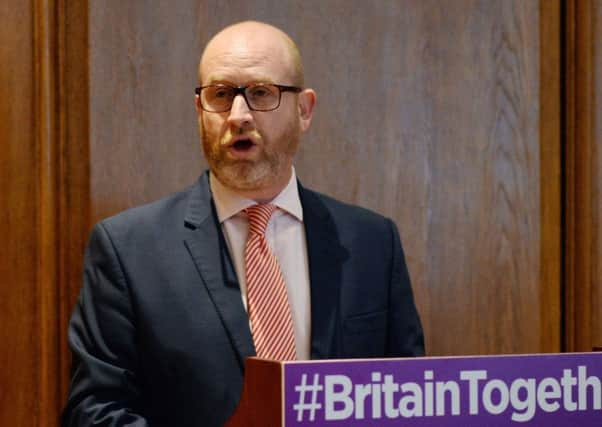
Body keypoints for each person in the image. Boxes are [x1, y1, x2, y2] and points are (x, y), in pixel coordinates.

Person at [62, 21, 424, 427]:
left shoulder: (373, 243)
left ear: (304, 110)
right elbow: (93, 411)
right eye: (220, 95)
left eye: (260, 93)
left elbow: (409, 399)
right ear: (200, 111)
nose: (238, 115)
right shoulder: (127, 250)